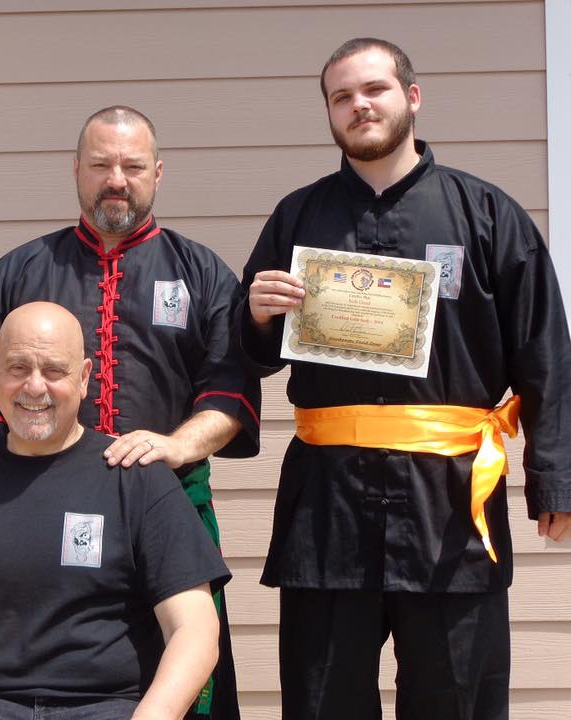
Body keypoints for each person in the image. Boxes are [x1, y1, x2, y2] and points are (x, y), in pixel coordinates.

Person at [237, 37, 571, 719]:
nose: (359, 106)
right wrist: (258, 314)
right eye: (341, 97)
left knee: (459, 702)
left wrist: (556, 480)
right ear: (330, 113)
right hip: (327, 512)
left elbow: (546, 354)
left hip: (450, 512)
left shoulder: (488, 215)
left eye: (374, 90)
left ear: (412, 98)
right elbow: (251, 353)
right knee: (323, 702)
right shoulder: (297, 216)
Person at [0, 106, 260, 719]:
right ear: (76, 170)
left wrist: (176, 445)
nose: (116, 180)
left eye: (132, 166)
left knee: (188, 672)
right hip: (36, 516)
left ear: (158, 173)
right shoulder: (16, 274)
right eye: (100, 165)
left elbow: (229, 396)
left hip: (169, 508)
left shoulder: (203, 276)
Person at [0, 301, 230, 720]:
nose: (35, 386)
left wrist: (156, 715)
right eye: (18, 368)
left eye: (54, 371)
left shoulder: (136, 477)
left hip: (109, 709)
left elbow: (194, 626)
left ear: (84, 378)